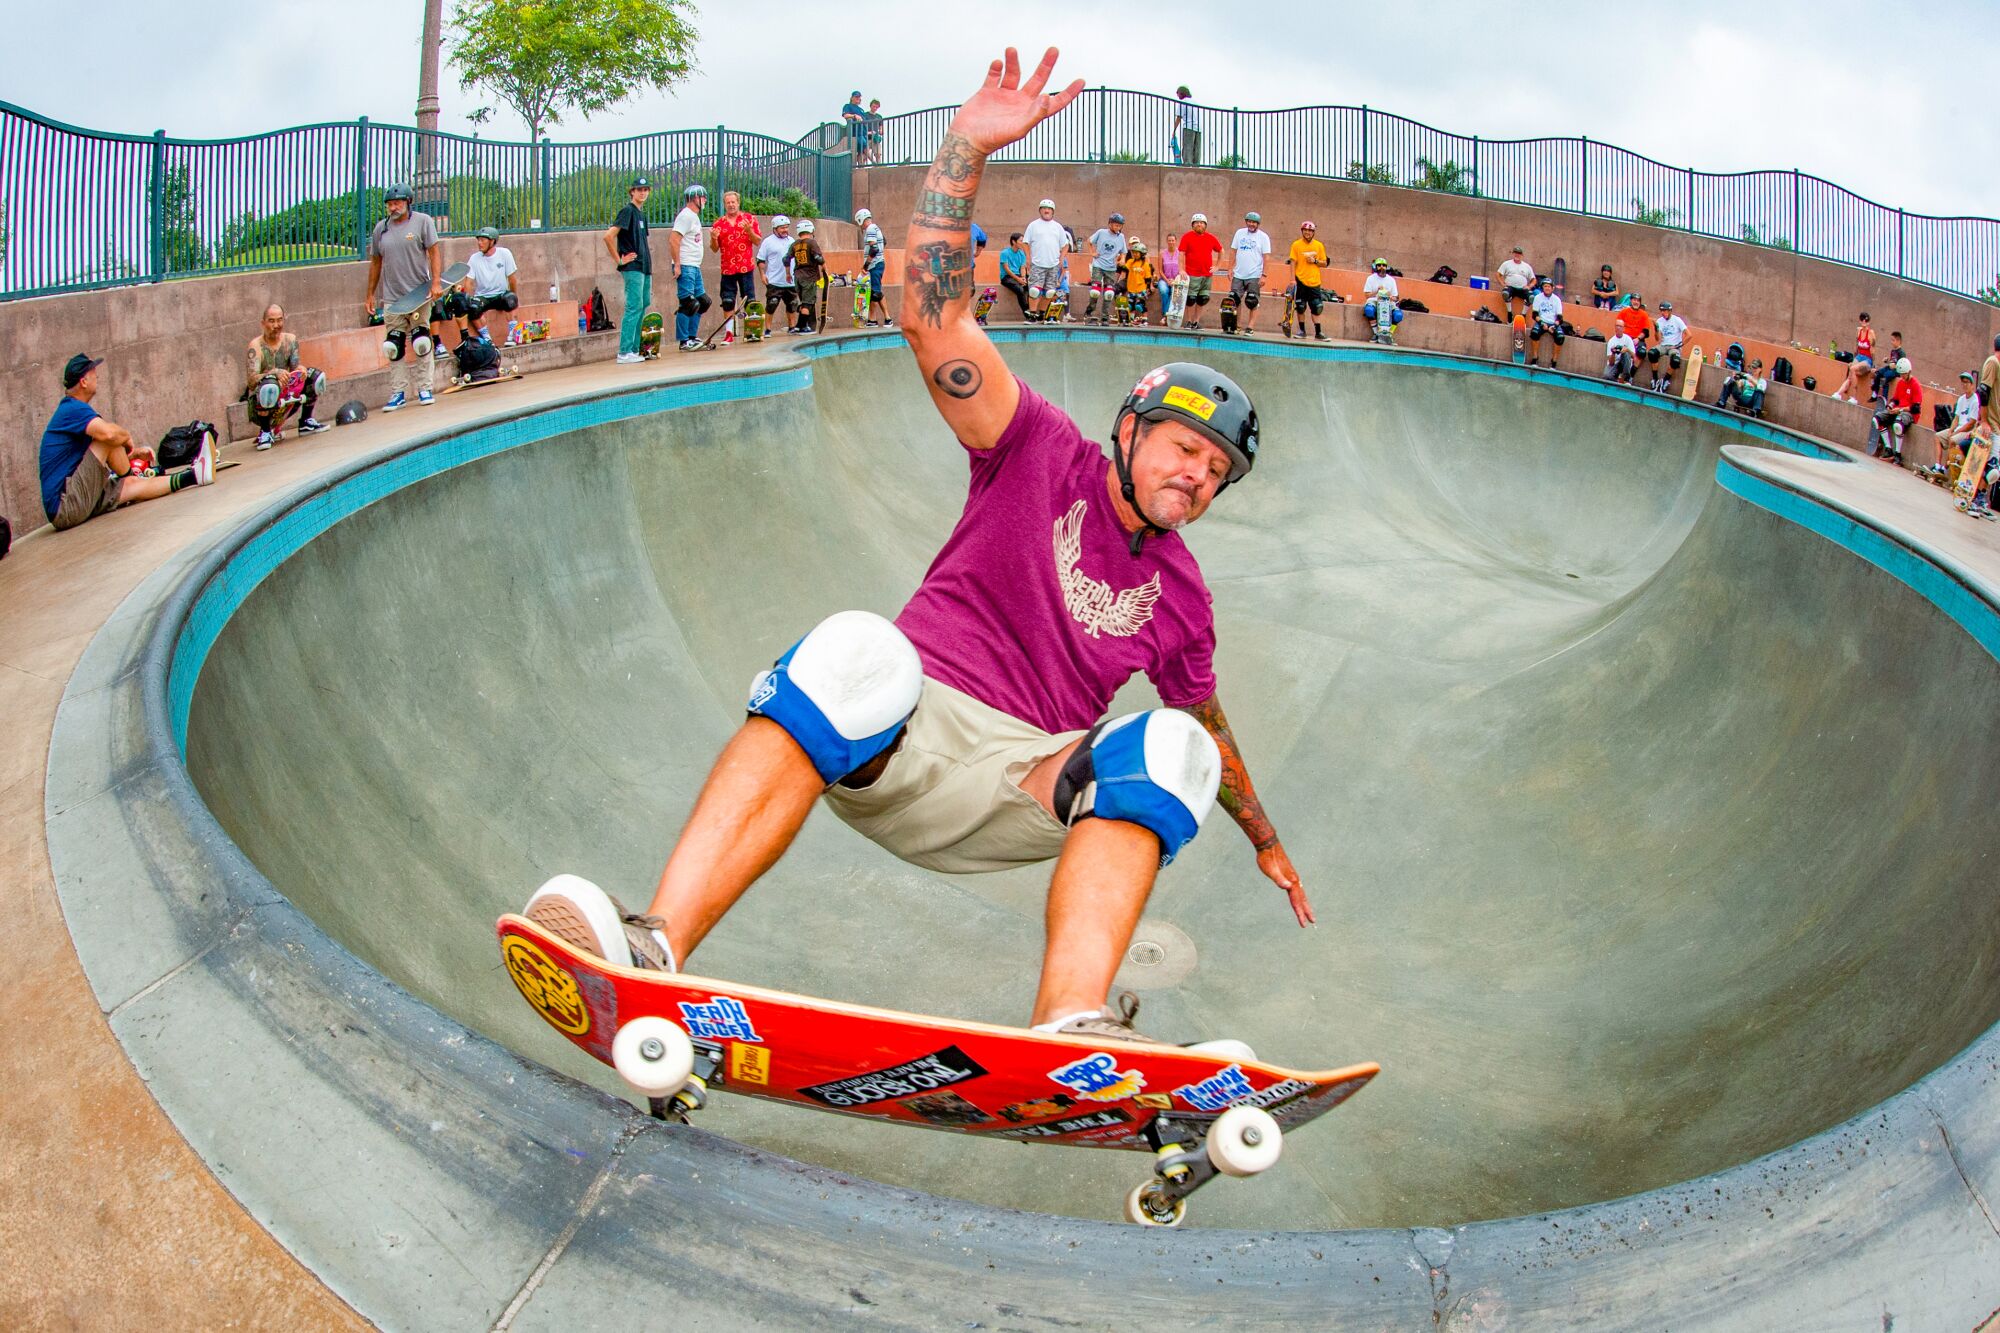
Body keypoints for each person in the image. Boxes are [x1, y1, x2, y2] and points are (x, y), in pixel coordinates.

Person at [521, 46, 1310, 1048]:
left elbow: (1211, 724)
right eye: (1184, 448)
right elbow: (929, 316)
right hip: (897, 736)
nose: (1195, 476)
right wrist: (963, 149)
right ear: (1131, 428)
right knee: (859, 644)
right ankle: (652, 946)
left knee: (1176, 746)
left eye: (1213, 473)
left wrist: (1265, 840)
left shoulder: (1182, 595)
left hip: (1021, 786)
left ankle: (1069, 1029)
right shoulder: (1034, 448)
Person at [40, 354, 213, 530]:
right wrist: (127, 437)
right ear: (83, 381)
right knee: (109, 439)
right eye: (93, 372)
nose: (97, 376)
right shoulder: (71, 409)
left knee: (131, 486)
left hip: (71, 505)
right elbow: (108, 436)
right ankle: (132, 474)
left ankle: (195, 475)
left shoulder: (73, 410)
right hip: (66, 504)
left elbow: (92, 456)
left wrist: (134, 453)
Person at [362, 183, 443, 409]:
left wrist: (436, 282)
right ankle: (398, 392)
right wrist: (369, 294)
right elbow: (376, 262)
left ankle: (424, 388)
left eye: (397, 202)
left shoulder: (423, 222)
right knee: (394, 345)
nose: (393, 207)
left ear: (408, 202)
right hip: (393, 298)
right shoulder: (381, 229)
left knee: (421, 342)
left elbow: (434, 252)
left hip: (418, 294)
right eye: (389, 204)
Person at [243, 304, 328, 449]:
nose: (276, 325)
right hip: (263, 402)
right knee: (268, 383)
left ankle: (306, 421)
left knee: (315, 376)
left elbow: (295, 368)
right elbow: (251, 382)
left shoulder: (290, 340)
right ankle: (265, 432)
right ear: (263, 323)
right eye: (271, 321)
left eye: (279, 320)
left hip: (287, 397)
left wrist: (300, 370)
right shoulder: (256, 346)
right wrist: (273, 373)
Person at [605, 177, 657, 364]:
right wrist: (619, 260)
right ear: (632, 192)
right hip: (633, 267)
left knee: (643, 304)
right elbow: (608, 236)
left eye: (645, 189)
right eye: (639, 189)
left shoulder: (641, 215)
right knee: (634, 306)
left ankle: (634, 349)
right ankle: (624, 351)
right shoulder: (627, 211)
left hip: (644, 267)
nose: (642, 192)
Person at [448, 226, 520, 346]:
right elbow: (469, 282)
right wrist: (467, 299)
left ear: (492, 242)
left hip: (501, 294)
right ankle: (487, 338)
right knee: (473, 308)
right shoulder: (474, 259)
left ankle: (512, 333)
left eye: (483, 240)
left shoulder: (505, 254)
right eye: (478, 240)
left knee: (511, 299)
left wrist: (514, 298)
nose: (479, 243)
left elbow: (512, 279)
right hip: (483, 296)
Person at [672, 184, 710, 350]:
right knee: (688, 303)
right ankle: (683, 340)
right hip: (686, 265)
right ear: (695, 198)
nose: (705, 201)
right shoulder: (686, 216)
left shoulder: (694, 216)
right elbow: (673, 240)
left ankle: (692, 337)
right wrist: (677, 264)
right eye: (703, 198)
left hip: (694, 266)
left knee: (703, 302)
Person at [1022, 198, 1069, 322]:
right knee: (1034, 291)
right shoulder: (1033, 225)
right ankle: (1032, 314)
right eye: (1044, 208)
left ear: (1052, 211)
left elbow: (1065, 245)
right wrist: (1028, 257)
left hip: (1053, 264)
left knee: (1050, 292)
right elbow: (1025, 242)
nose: (1046, 210)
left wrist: (1061, 258)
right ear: (1040, 210)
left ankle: (1042, 314)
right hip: (1037, 263)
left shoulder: (1057, 227)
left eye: (1049, 209)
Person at [1176, 214, 1224, 330]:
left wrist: (1218, 266)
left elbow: (1221, 250)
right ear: (1192, 225)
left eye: (1202, 222)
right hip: (1192, 274)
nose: (1199, 224)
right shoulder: (1187, 237)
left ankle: (1196, 322)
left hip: (1207, 274)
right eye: (1196, 222)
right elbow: (1181, 253)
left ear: (1205, 225)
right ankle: (1188, 321)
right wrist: (1181, 269)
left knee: (1202, 299)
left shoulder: (1210, 237)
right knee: (1191, 299)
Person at [1868, 358, 1921, 463]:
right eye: (1900, 374)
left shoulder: (1915, 385)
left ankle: (1898, 454)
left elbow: (1916, 408)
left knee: (1897, 425)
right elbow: (1896, 399)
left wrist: (1900, 410)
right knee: (1877, 419)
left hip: (1909, 413)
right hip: (1898, 410)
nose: (1901, 377)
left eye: (1904, 374)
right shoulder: (1901, 383)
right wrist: (1890, 406)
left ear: (1909, 372)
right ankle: (1888, 449)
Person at [1228, 212, 1272, 334]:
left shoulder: (1263, 237)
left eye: (1254, 222)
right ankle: (1237, 326)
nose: (1251, 224)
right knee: (1234, 299)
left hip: (1254, 274)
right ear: (1246, 222)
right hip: (1238, 273)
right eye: (1249, 221)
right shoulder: (1239, 233)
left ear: (1258, 224)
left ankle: (1250, 327)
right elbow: (1233, 251)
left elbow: (1266, 257)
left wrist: (1264, 275)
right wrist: (1230, 268)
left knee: (1252, 300)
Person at [1286, 221, 1330, 341]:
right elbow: (1292, 262)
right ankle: (1302, 331)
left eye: (1310, 231)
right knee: (1300, 306)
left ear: (1313, 232)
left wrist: (1315, 261)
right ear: (1302, 231)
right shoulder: (1296, 245)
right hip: (1300, 280)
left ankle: (1318, 332)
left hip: (1314, 281)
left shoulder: (1319, 245)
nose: (1307, 232)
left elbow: (1325, 263)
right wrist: (1292, 279)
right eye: (1305, 230)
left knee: (1316, 307)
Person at [1084, 213, 1128, 323]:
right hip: (1098, 265)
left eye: (1119, 226)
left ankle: (1104, 316)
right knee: (1095, 291)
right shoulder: (1101, 232)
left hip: (1111, 268)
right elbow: (1089, 241)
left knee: (1109, 293)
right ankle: (1090, 313)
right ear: (1110, 224)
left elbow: (1123, 252)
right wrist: (1092, 252)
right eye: (1116, 225)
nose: (1117, 227)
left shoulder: (1121, 237)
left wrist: (1122, 259)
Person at [758, 215, 798, 333]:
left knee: (792, 305)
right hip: (774, 280)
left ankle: (792, 327)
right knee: (772, 304)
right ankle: (768, 329)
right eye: (782, 228)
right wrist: (762, 274)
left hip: (790, 281)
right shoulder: (768, 242)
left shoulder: (792, 241)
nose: (785, 230)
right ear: (775, 229)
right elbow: (760, 259)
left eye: (786, 227)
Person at [787, 219, 827, 333]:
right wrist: (825, 268)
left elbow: (786, 259)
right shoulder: (811, 242)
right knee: (808, 303)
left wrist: (787, 274)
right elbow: (818, 258)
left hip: (797, 278)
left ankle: (799, 325)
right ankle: (803, 327)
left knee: (805, 301)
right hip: (809, 277)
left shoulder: (794, 244)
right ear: (811, 230)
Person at [854, 206, 891, 325]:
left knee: (876, 292)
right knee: (874, 292)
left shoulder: (870, 229)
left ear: (861, 219)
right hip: (877, 263)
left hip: (875, 265)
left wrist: (866, 266)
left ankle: (888, 318)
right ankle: (873, 319)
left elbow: (874, 249)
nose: (860, 226)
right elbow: (883, 242)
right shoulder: (876, 228)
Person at [1830, 313, 1874, 404]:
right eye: (1862, 319)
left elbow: (1873, 350)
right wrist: (1854, 359)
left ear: (1869, 322)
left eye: (1866, 320)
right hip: (1859, 356)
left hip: (1867, 358)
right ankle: (1839, 393)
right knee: (1851, 373)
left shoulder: (1871, 333)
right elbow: (1856, 347)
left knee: (1853, 369)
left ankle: (1854, 397)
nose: (1864, 322)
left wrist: (1872, 363)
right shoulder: (1858, 331)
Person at [1648, 300, 1689, 392]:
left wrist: (1679, 345)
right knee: (1652, 353)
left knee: (1675, 360)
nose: (1664, 313)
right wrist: (1656, 328)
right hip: (1663, 345)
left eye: (1666, 311)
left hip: (1674, 346)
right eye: (1662, 311)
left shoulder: (1677, 320)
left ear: (1670, 311)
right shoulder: (1660, 321)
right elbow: (1657, 339)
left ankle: (1665, 380)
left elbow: (1689, 335)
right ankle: (1655, 378)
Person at [1524, 277, 1565, 368]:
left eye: (1549, 286)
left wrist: (1554, 326)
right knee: (1534, 333)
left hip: (1553, 323)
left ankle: (1554, 362)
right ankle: (1535, 358)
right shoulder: (1538, 298)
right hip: (1541, 321)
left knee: (1560, 337)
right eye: (1545, 286)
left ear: (1552, 288)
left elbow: (1560, 318)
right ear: (1542, 287)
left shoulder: (1557, 299)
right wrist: (1542, 323)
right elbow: (1534, 315)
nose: (1547, 288)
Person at [1361, 258, 1402, 338]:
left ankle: (1389, 335)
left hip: (1388, 302)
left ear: (1386, 267)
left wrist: (1390, 296)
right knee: (1369, 310)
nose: (1381, 267)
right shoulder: (1370, 278)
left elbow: (1396, 298)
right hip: (1374, 301)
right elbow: (1367, 295)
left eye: (1383, 265)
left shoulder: (1391, 280)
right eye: (1379, 265)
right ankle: (1376, 333)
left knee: (1398, 315)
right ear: (1375, 267)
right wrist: (1377, 292)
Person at [1117, 238, 1156, 323]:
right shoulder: (1130, 262)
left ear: (1142, 254)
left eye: (1136, 252)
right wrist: (1120, 263)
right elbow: (1124, 268)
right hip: (1131, 288)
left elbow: (1148, 278)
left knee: (1139, 306)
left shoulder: (1145, 265)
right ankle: (1131, 319)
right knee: (1130, 306)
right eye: (1133, 252)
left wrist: (1148, 288)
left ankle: (1145, 320)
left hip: (1141, 289)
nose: (1134, 254)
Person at [1496, 246, 1535, 322]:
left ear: (1522, 255)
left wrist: (1529, 286)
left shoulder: (1527, 266)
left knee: (1531, 297)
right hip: (1510, 287)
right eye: (1515, 253)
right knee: (1505, 294)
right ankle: (1510, 313)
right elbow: (1498, 274)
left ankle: (1523, 315)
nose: (1517, 255)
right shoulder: (1506, 264)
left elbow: (1534, 280)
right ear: (1513, 253)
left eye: (1519, 254)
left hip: (1522, 289)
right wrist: (1502, 283)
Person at [998, 231, 1031, 317]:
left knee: (1032, 287)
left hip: (1019, 275)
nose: (1022, 243)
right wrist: (1018, 279)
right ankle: (1027, 311)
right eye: (1020, 241)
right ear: (1013, 241)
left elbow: (1022, 268)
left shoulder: (1021, 253)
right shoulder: (1005, 253)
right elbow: (1007, 269)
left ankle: (1033, 310)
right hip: (1007, 277)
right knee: (1020, 289)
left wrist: (1023, 278)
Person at [1871, 331, 1908, 405]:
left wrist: (1893, 365)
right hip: (1890, 368)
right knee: (1878, 373)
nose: (1891, 342)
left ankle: (1884, 399)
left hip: (1896, 371)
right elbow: (1892, 361)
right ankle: (1875, 393)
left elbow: (1901, 366)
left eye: (1893, 340)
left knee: (1886, 376)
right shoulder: (1893, 351)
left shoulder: (1902, 353)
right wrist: (1887, 361)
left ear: (1898, 341)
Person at [1173, 86, 1202, 166]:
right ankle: (1196, 165)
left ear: (1182, 93)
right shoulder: (1195, 102)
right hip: (1198, 128)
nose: (1177, 96)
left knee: (1187, 148)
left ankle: (1187, 165)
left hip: (1189, 126)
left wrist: (1174, 131)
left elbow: (1179, 117)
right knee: (1196, 149)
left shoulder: (1183, 102)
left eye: (1178, 93)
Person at [841, 92, 867, 162]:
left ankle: (861, 167)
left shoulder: (861, 109)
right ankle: (875, 163)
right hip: (856, 133)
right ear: (852, 98)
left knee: (861, 152)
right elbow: (845, 115)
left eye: (859, 97)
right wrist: (854, 116)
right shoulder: (848, 106)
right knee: (865, 147)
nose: (858, 98)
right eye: (856, 97)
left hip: (863, 132)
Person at [864, 98, 887, 164]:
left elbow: (881, 128)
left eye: (876, 107)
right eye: (874, 106)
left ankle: (878, 166)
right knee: (865, 154)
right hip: (866, 138)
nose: (875, 108)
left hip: (875, 138)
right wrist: (869, 132)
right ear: (870, 106)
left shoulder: (879, 116)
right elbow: (861, 127)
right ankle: (874, 164)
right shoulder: (865, 115)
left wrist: (881, 131)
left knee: (878, 154)